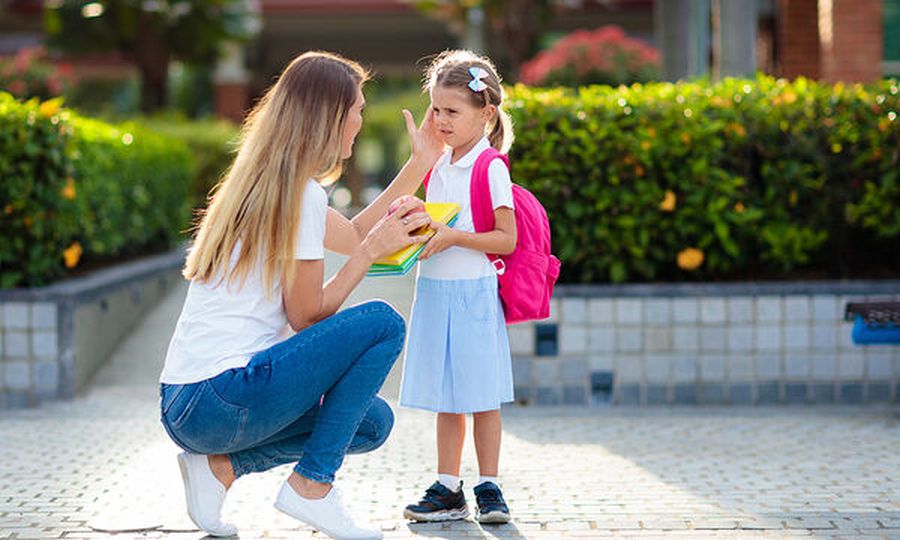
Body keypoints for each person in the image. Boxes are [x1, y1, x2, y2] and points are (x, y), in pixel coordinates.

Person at [158, 51, 442, 540]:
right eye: (355, 108)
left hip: (186, 404)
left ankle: (221, 469)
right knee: (383, 323)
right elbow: (308, 314)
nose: (359, 119)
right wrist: (372, 253)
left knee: (370, 422)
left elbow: (351, 235)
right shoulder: (300, 195)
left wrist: (420, 164)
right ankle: (312, 487)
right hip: (220, 397)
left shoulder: (265, 184)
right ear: (328, 115)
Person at [399, 50, 516, 524]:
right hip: (435, 291)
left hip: (473, 295)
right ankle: (448, 486)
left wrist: (452, 237)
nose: (441, 120)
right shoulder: (437, 164)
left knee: (481, 395)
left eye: (452, 111)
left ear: (485, 113)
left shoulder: (491, 167)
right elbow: (429, 221)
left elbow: (506, 240)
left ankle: (490, 485)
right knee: (448, 397)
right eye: (437, 110)